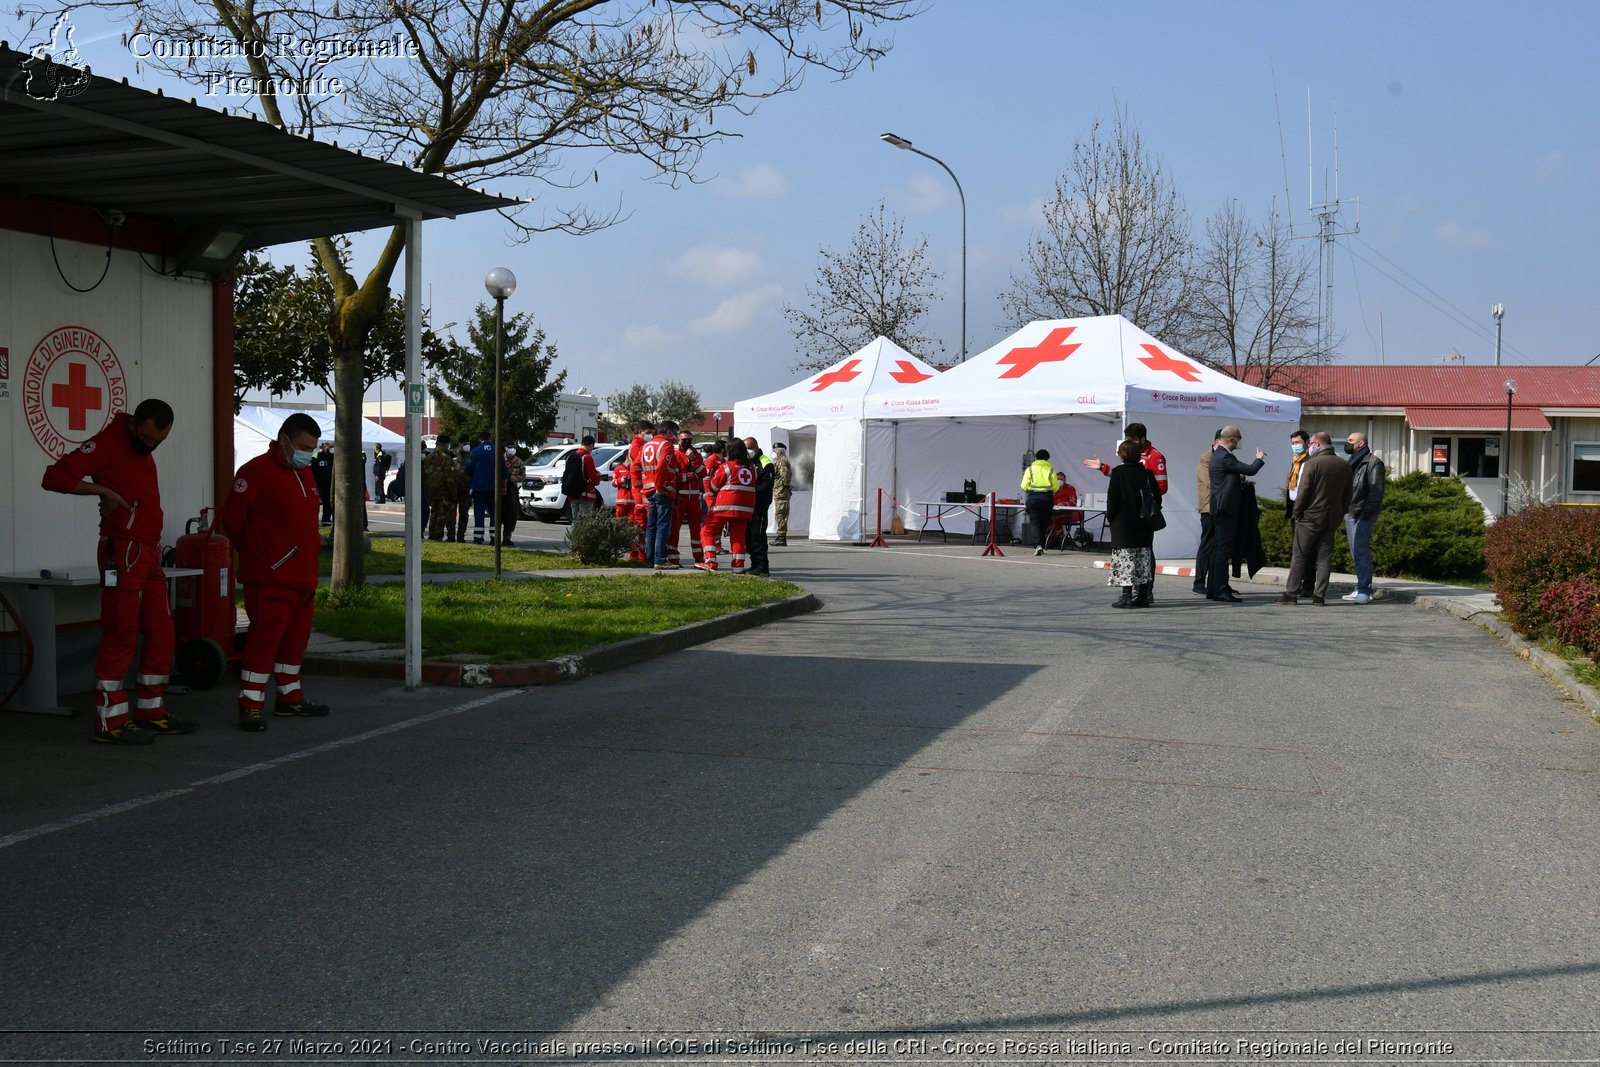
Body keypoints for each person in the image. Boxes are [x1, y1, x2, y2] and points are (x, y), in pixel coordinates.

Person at [41, 398, 195, 745]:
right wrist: (101, 489)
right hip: (122, 551)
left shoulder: (139, 445)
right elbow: (54, 477)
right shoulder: (108, 442)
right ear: (133, 426)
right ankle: (110, 722)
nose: (150, 445)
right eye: (145, 437)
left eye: (158, 441)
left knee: (161, 630)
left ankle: (151, 710)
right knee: (121, 633)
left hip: (148, 550)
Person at [219, 412, 330, 732]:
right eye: (303, 446)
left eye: (312, 447)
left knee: (295, 642)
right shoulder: (255, 472)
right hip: (269, 578)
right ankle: (250, 704)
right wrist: (262, 557)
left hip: (302, 578)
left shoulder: (305, 474)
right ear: (284, 441)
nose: (308, 453)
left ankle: (289, 696)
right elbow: (234, 523)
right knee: (264, 642)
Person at [1278, 432, 1353, 606]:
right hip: (1331, 517)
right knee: (1325, 558)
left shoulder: (1312, 464)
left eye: (1310, 443)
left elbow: (1303, 492)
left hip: (1309, 517)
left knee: (1299, 556)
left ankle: (1291, 593)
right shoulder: (1344, 465)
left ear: (1317, 445)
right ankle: (1319, 595)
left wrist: (1297, 512)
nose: (1308, 446)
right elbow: (1348, 494)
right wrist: (1340, 513)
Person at [1206, 425, 1265, 603]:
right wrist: (1259, 459)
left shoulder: (1219, 455)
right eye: (1238, 438)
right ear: (1231, 439)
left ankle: (1213, 588)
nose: (1239, 441)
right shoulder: (1224, 456)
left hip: (1221, 507)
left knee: (1218, 549)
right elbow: (1250, 469)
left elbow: (1229, 480)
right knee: (1224, 550)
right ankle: (1221, 589)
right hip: (1226, 509)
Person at [1105, 439, 1161, 608]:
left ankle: (1127, 595)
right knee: (1143, 558)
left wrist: (1111, 516)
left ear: (1122, 455)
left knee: (1125, 559)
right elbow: (1157, 497)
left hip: (1123, 523)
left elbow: (1112, 498)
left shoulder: (1118, 473)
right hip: (1144, 523)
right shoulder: (1147, 473)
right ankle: (1143, 595)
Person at [697, 438, 756, 573]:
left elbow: (713, 485)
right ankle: (738, 567)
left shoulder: (727, 466)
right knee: (738, 537)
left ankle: (711, 562)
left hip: (724, 506)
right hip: (745, 508)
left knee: (707, 531)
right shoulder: (751, 467)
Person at [1342, 431, 1387, 604]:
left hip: (1361, 514)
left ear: (1361, 444)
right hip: (1351, 512)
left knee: (1360, 551)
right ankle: (1360, 586)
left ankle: (1364, 590)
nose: (1348, 443)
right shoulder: (1353, 461)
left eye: (1351, 441)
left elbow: (1376, 492)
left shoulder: (1373, 463)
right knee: (1356, 551)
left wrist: (1366, 515)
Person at [1085, 422, 1169, 496]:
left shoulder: (1156, 456)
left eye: (1133, 440)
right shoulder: (1128, 453)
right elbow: (1124, 475)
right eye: (1127, 440)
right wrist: (1102, 467)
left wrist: (1139, 494)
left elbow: (1162, 487)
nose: (1129, 443)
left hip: (1144, 509)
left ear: (1142, 440)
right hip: (1129, 505)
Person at [641, 420, 682, 568]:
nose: (675, 437)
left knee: (651, 526)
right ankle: (660, 560)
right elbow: (662, 466)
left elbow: (639, 466)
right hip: (662, 489)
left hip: (649, 489)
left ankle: (650, 559)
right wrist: (660, 486)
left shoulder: (646, 445)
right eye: (675, 433)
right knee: (663, 525)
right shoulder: (666, 445)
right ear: (669, 431)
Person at [1193, 429, 1223, 596]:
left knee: (1220, 547)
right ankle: (1199, 581)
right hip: (1209, 508)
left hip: (1222, 507)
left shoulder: (1226, 456)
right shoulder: (1206, 459)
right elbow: (1211, 482)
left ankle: (1218, 582)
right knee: (1207, 545)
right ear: (1218, 441)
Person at [669, 431, 705, 567]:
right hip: (679, 498)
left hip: (694, 498)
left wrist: (693, 460)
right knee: (675, 529)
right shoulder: (675, 455)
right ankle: (673, 559)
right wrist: (691, 476)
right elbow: (675, 477)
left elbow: (702, 472)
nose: (686, 442)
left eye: (689, 439)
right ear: (678, 441)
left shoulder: (696, 455)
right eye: (684, 439)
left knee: (696, 530)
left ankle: (699, 559)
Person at [1284, 429, 1312, 597]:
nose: (1295, 446)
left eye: (1298, 443)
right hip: (1295, 509)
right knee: (1298, 550)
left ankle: (1308, 583)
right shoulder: (1295, 461)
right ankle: (1300, 582)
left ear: (1306, 443)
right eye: (1293, 443)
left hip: (1306, 510)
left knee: (1307, 550)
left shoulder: (1310, 461)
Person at [743, 437, 774, 576]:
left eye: (749, 448)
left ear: (755, 447)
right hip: (747, 505)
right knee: (748, 537)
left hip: (759, 505)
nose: (747, 451)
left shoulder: (765, 462)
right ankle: (754, 564)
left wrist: (750, 491)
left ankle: (763, 567)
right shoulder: (745, 462)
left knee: (758, 535)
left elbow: (766, 486)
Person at [466, 432, 502, 544]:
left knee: (479, 513)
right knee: (494, 513)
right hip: (494, 488)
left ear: (479, 439)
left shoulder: (475, 451)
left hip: (479, 487)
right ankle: (494, 538)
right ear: (490, 438)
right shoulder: (497, 451)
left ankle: (478, 538)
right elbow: (504, 472)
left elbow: (468, 469)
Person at [1020, 448, 1056, 556]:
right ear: (1047, 459)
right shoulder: (1051, 470)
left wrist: (1030, 490)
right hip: (1047, 498)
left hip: (1033, 497)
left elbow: (1023, 486)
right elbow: (1056, 487)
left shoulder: (1030, 470)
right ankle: (1042, 544)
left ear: (1036, 457)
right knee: (1044, 523)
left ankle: (1038, 545)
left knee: (1035, 523)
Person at [423, 434, 458, 541]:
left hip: (432, 490)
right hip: (444, 492)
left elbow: (425, 475)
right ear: (446, 444)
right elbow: (450, 479)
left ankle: (432, 534)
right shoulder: (447, 459)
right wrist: (453, 493)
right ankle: (438, 535)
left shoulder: (429, 457)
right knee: (442, 514)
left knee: (434, 512)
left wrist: (427, 490)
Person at [501, 445, 525, 547]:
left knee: (511, 514)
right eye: (509, 447)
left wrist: (517, 478)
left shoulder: (518, 461)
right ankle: (495, 538)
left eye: (513, 447)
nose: (512, 450)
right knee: (499, 513)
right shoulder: (500, 459)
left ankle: (507, 538)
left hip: (513, 490)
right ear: (505, 448)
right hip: (501, 489)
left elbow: (524, 476)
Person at [772, 442, 793, 546]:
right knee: (780, 514)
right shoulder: (781, 460)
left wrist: (783, 486)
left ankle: (781, 537)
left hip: (781, 492)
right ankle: (780, 536)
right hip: (780, 491)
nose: (773, 452)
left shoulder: (782, 461)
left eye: (775, 450)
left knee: (781, 514)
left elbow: (784, 476)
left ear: (779, 451)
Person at [312, 442, 334, 525]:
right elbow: (312, 471)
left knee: (328, 502)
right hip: (318, 484)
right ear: (324, 446)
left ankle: (326, 519)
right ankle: (314, 519)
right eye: (328, 447)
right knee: (316, 502)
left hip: (330, 484)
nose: (329, 449)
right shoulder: (316, 456)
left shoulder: (333, 457)